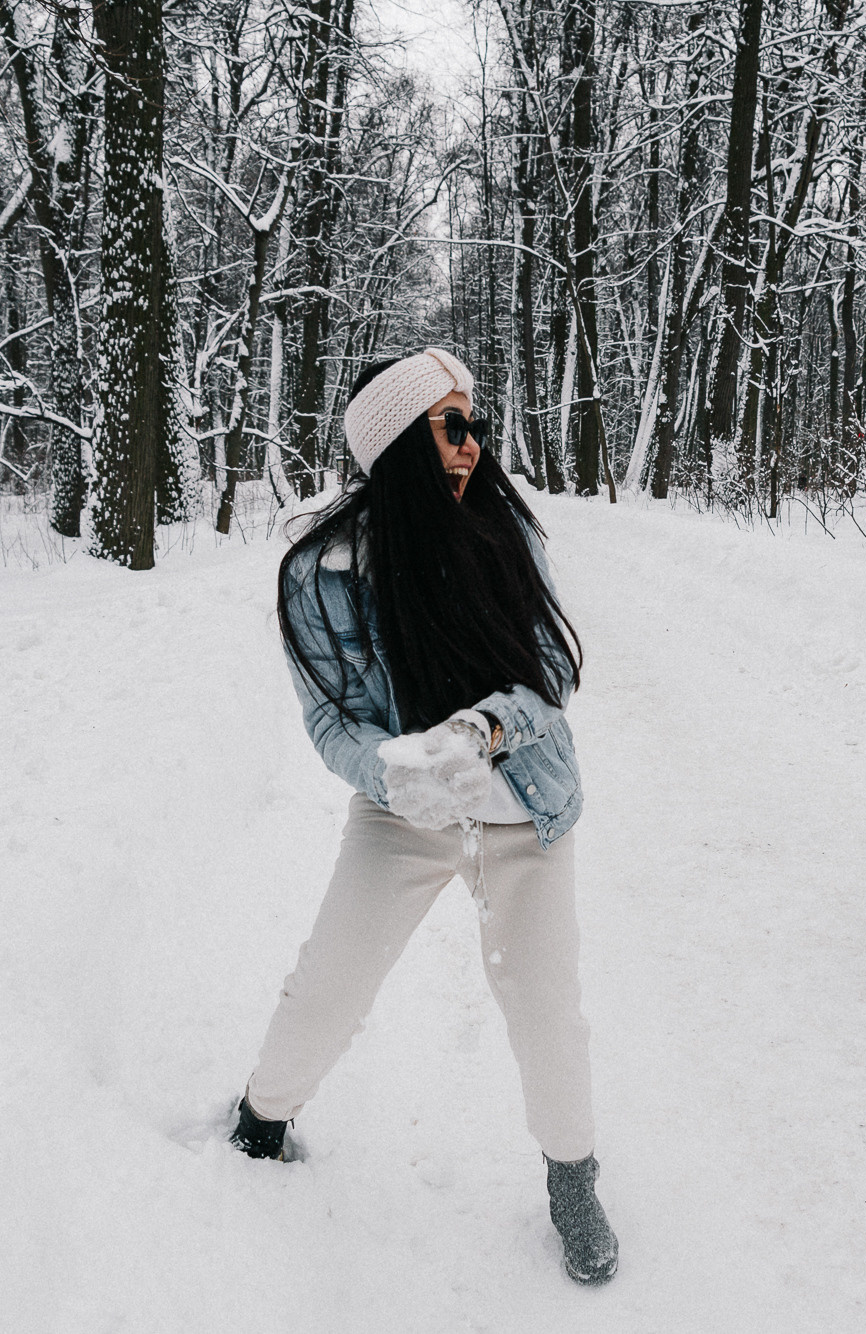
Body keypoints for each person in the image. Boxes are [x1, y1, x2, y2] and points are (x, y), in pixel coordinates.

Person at [230, 348, 617, 1286]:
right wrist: (397, 772)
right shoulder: (317, 572)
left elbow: (555, 673)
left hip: (527, 810)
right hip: (400, 816)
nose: (472, 444)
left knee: (546, 1013)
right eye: (451, 424)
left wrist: (485, 730)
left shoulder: (503, 535)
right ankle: (259, 1123)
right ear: (399, 439)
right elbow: (329, 719)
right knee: (328, 982)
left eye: (475, 422)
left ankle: (573, 1182)